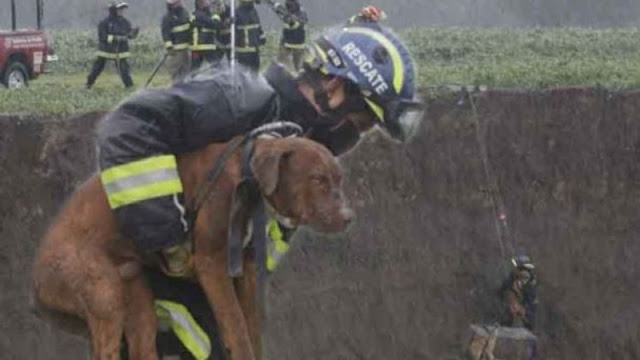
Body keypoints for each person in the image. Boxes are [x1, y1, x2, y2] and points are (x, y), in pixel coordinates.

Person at [103, 5, 424, 357]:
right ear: (334, 88)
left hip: (202, 291)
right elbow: (127, 127)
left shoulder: (301, 155)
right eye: (362, 121)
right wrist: (168, 238)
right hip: (143, 279)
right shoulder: (242, 100)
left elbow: (260, 246)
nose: (356, 135)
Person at [86, 2, 138, 89]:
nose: (122, 11)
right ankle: (88, 84)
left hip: (121, 52)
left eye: (122, 9)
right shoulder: (104, 23)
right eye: (119, 9)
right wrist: (114, 38)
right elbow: (102, 36)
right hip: (105, 51)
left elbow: (129, 35)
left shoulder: (125, 22)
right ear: (113, 10)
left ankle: (129, 86)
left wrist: (133, 34)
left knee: (124, 69)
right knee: (97, 68)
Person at [500, 255, 538, 331]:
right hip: (520, 302)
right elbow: (506, 286)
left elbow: (526, 291)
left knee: (526, 318)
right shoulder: (515, 275)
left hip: (526, 302)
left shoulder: (526, 276)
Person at [162, 0, 192, 83]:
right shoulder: (167, 17)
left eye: (179, 3)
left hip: (187, 49)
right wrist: (169, 47)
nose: (178, 5)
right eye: (176, 3)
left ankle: (185, 89)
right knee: (176, 72)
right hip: (176, 51)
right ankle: (176, 89)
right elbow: (166, 34)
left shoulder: (185, 13)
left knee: (186, 71)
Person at [273, 0, 308, 71]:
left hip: (288, 46)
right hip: (299, 46)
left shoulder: (292, 16)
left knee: (284, 68)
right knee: (300, 69)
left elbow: (293, 24)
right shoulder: (302, 13)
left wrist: (279, 9)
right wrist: (277, 7)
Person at [191, 0, 224, 71]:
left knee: (216, 67)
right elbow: (214, 24)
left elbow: (218, 26)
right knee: (195, 69)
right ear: (198, 3)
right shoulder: (198, 14)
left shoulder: (207, 14)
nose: (207, 3)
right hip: (201, 46)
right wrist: (216, 15)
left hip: (208, 46)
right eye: (204, 2)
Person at [234, 0, 266, 72]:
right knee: (243, 74)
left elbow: (258, 26)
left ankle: (254, 83)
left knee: (255, 72)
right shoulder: (237, 12)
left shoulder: (253, 11)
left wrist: (262, 37)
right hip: (243, 50)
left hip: (255, 48)